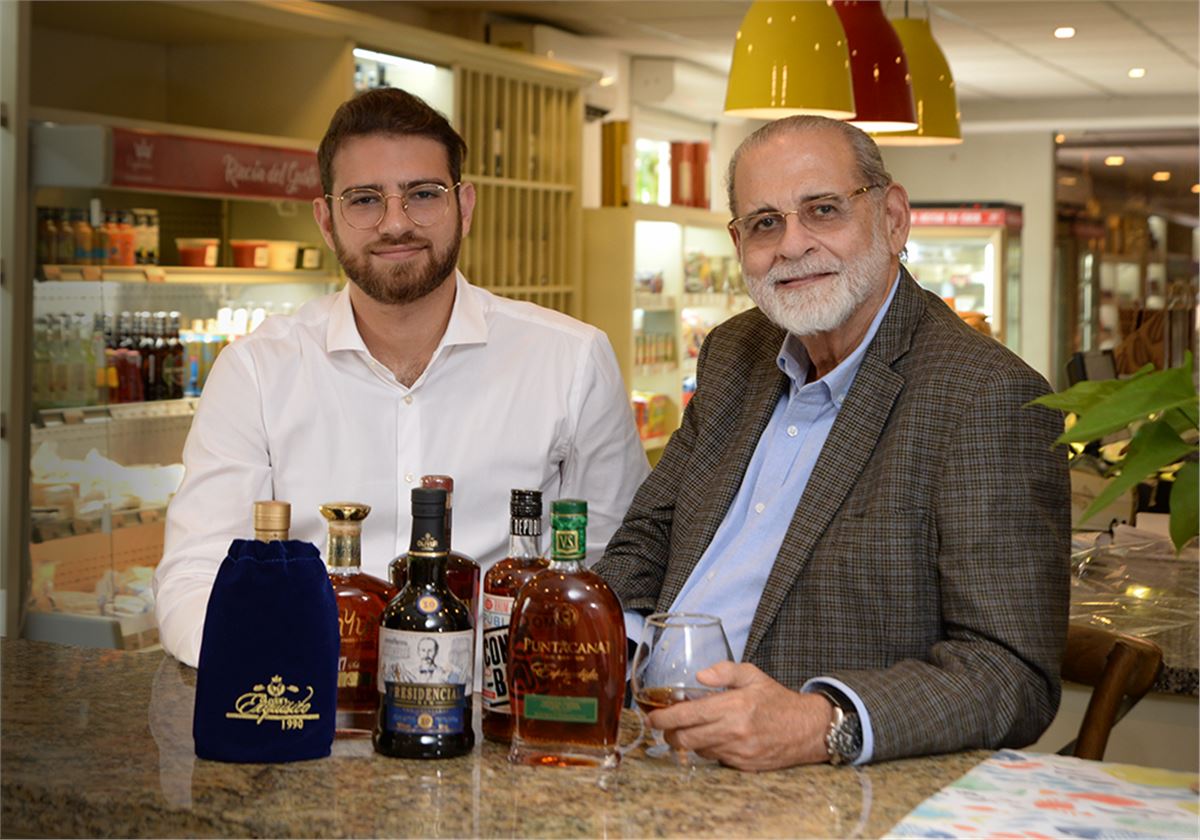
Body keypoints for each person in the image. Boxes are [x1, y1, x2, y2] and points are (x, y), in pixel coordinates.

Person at [594, 116, 1071, 770]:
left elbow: (1010, 672)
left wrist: (821, 723)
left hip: (806, 787)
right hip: (639, 740)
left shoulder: (985, 396)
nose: (792, 245)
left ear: (893, 218)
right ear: (738, 243)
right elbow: (651, 532)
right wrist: (608, 648)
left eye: (823, 210)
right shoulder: (736, 351)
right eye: (765, 223)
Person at [155, 88, 648, 668]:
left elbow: (617, 567)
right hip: (312, 696)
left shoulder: (571, 360)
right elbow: (196, 573)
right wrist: (282, 673)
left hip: (503, 703)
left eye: (423, 195)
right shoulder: (257, 372)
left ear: (465, 206)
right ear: (326, 220)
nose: (395, 223)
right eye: (364, 200)